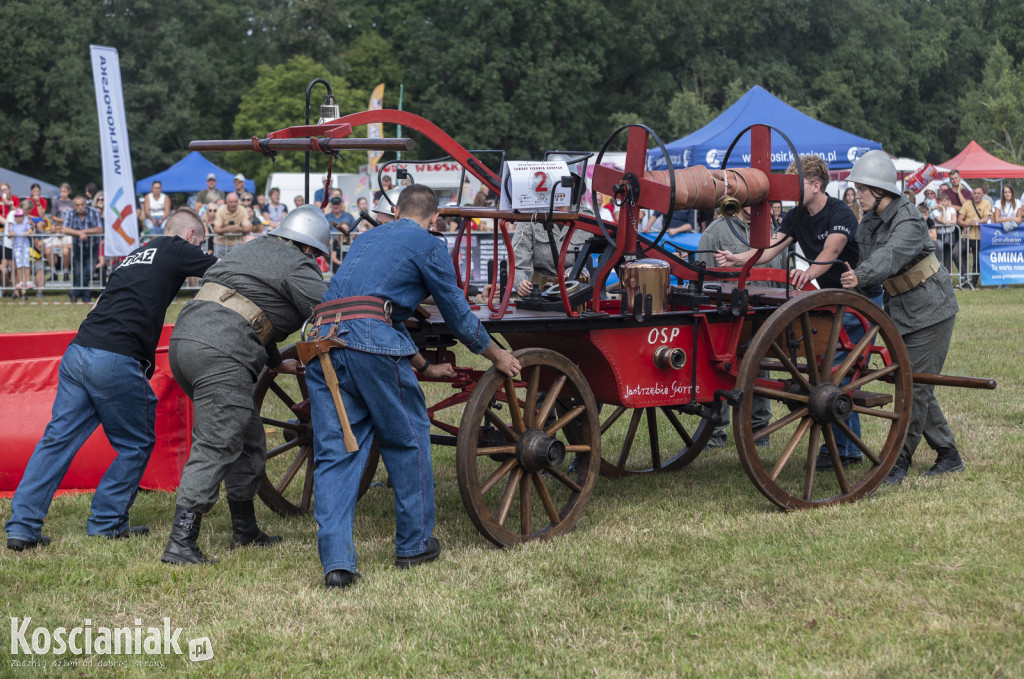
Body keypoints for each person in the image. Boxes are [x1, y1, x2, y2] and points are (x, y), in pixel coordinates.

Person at [305, 184, 521, 589]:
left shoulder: (367, 238)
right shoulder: (428, 243)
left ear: (396, 209)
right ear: (434, 219)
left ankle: (336, 564)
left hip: (322, 341)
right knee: (408, 439)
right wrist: (496, 356)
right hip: (369, 345)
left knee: (336, 453)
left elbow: (375, 305)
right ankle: (414, 545)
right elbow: (456, 312)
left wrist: (423, 364)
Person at [5, 209, 216, 551]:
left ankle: (22, 527)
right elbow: (225, 269)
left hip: (79, 351)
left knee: (57, 441)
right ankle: (107, 521)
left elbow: (101, 302)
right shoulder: (178, 247)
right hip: (115, 357)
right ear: (191, 235)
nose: (200, 249)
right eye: (201, 243)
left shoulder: (136, 254)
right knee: (136, 442)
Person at [161, 205, 330, 565]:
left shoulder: (249, 249)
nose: (314, 258)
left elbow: (250, 308)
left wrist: (271, 360)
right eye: (315, 253)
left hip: (186, 342)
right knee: (219, 440)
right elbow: (330, 309)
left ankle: (245, 529)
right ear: (306, 247)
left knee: (249, 436)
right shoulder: (297, 264)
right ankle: (180, 542)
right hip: (221, 350)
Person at [715, 154, 883, 470]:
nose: (791, 190)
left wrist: (809, 273)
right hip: (833, 298)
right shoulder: (798, 214)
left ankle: (843, 451)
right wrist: (738, 259)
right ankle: (846, 450)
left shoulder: (840, 212)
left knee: (834, 371)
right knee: (830, 369)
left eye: (797, 184)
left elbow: (831, 251)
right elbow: (771, 247)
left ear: (816, 185)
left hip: (860, 299)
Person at [840, 150, 964, 483]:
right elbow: (866, 264)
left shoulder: (908, 217)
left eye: (863, 189)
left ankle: (897, 462)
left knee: (914, 388)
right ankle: (949, 454)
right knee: (916, 384)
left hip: (931, 310)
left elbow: (889, 257)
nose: (857, 195)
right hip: (901, 310)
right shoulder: (868, 222)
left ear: (880, 190)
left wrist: (861, 274)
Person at [698, 207, 785, 448]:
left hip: (766, 311)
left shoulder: (774, 231)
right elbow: (704, 279)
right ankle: (714, 432)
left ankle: (759, 430)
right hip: (728, 316)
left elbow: (783, 272)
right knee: (721, 371)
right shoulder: (716, 232)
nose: (754, 203)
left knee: (760, 366)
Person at [510, 218, 590, 298]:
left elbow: (597, 259)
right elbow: (518, 264)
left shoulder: (587, 217)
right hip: (539, 295)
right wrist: (521, 283)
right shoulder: (531, 217)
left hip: (577, 295)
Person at [58, 195, 102, 303]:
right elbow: (64, 229)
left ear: (86, 204)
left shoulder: (94, 212)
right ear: (74, 206)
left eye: (82, 204)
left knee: (89, 270)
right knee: (78, 271)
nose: (80, 207)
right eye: (78, 205)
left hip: (92, 246)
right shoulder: (71, 213)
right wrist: (79, 233)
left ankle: (74, 292)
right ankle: (85, 295)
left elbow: (100, 228)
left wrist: (85, 232)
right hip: (77, 246)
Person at [956, 184, 992, 287]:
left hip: (979, 236)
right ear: (971, 194)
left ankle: (973, 282)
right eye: (975, 193)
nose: (976, 195)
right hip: (966, 236)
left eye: (978, 193)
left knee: (977, 260)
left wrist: (976, 221)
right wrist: (967, 223)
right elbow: (959, 220)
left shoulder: (986, 203)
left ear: (982, 194)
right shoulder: (967, 204)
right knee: (955, 253)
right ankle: (964, 276)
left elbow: (985, 219)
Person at [212, 192, 253, 258]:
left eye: (235, 202)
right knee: (218, 264)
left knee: (236, 264)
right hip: (220, 242)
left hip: (236, 242)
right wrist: (227, 229)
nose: (233, 204)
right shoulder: (221, 210)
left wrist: (239, 229)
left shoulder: (242, 210)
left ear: (238, 202)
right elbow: (216, 229)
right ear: (226, 202)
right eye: (231, 202)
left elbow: (248, 228)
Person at [9, 209, 33, 299]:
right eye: (17, 216)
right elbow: (10, 232)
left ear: (23, 217)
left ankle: (27, 281)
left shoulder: (26, 224)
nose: (18, 218)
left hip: (25, 247)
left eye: (20, 216)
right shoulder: (13, 226)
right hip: (17, 248)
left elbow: (30, 230)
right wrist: (12, 233)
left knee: (26, 265)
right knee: (19, 266)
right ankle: (21, 282)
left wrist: (27, 232)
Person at [933, 193, 958, 273]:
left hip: (950, 234)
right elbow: (942, 221)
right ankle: (939, 274)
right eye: (941, 201)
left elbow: (954, 221)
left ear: (948, 201)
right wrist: (943, 210)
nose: (943, 203)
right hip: (940, 235)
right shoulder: (935, 212)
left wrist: (945, 223)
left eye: (945, 201)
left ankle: (947, 276)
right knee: (940, 256)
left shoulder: (952, 210)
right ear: (938, 202)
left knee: (948, 256)